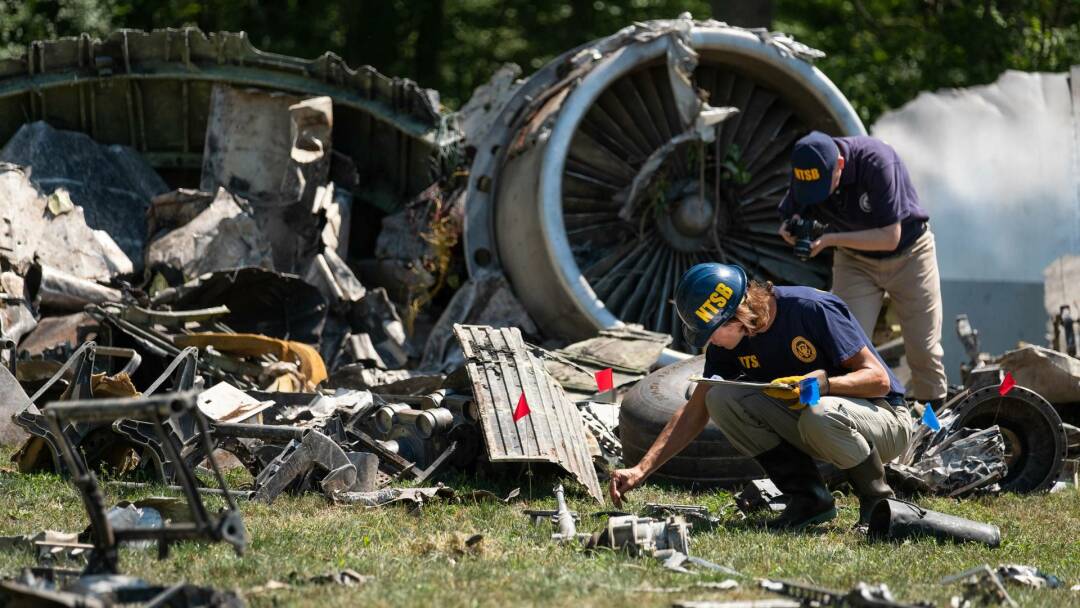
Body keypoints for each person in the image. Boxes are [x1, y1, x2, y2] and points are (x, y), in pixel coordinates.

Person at [609, 263, 914, 530]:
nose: (709, 342)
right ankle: (809, 499)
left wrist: (824, 385)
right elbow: (694, 409)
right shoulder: (728, 345)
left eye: (711, 332)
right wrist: (640, 470)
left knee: (818, 412)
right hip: (822, 425)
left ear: (736, 316)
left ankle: (878, 503)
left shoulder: (810, 308)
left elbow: (880, 380)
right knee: (720, 398)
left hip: (885, 420)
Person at [778, 131, 946, 405]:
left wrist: (830, 239)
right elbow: (789, 215)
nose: (817, 195)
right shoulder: (808, 172)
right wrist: (791, 228)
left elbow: (890, 237)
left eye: (823, 184)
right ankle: (851, 418)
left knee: (923, 349)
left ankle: (934, 417)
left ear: (840, 165)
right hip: (855, 261)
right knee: (844, 344)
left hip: (910, 254)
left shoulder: (877, 162)